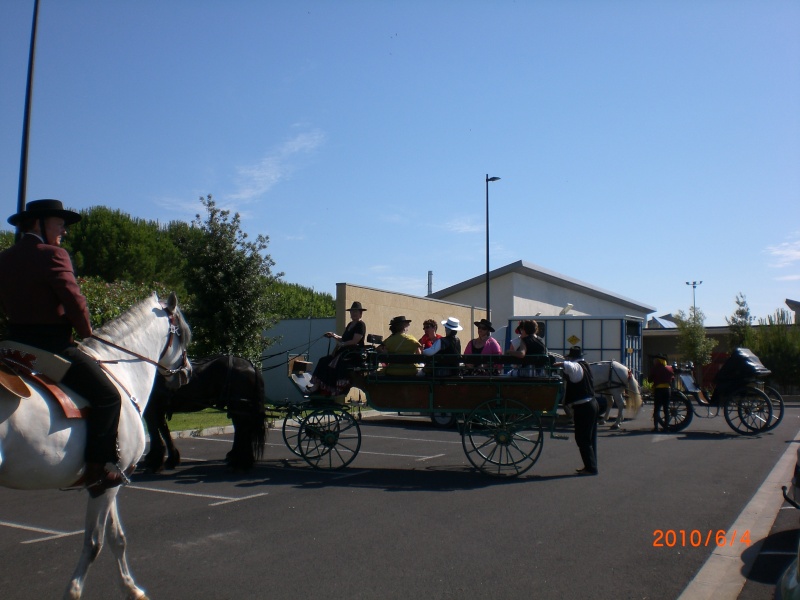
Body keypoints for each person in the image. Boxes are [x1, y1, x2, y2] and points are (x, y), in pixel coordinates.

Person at [0, 199, 124, 495]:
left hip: (8, 346)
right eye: (59, 224)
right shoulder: (53, 255)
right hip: (49, 349)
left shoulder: (4, 258)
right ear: (38, 224)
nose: (64, 231)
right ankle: (99, 469)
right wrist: (87, 332)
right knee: (108, 396)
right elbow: (73, 299)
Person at [554, 346, 599, 475]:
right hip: (591, 404)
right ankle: (591, 465)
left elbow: (567, 365)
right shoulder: (585, 365)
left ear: (572, 358)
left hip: (584, 406)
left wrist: (556, 363)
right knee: (588, 438)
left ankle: (591, 468)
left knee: (582, 438)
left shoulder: (576, 366)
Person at [306, 301, 367, 395]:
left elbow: (355, 341)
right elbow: (343, 339)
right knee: (323, 360)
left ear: (360, 313)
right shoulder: (350, 325)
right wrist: (333, 335)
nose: (354, 313)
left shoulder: (360, 325)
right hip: (344, 351)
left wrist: (343, 344)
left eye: (356, 311)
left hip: (352, 354)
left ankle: (331, 388)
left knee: (332, 363)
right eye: (352, 311)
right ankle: (318, 386)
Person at [650, 353, 674, 432]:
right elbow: (672, 379)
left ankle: (656, 427)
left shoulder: (655, 368)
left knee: (657, 409)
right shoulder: (670, 368)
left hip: (659, 390)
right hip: (667, 390)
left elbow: (650, 380)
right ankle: (666, 427)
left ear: (658, 361)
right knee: (666, 409)